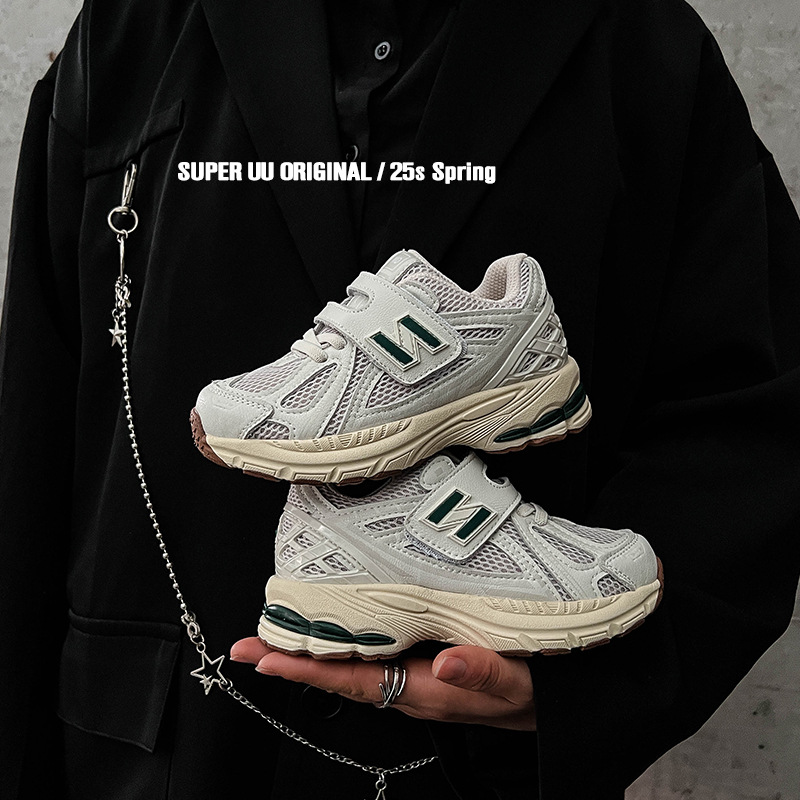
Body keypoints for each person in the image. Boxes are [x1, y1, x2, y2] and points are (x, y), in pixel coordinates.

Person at [1, 1, 798, 798]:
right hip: (156, 752)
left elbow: (751, 410)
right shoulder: (128, 29)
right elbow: (31, 431)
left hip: (470, 771)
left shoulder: (638, 43)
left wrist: (589, 686)